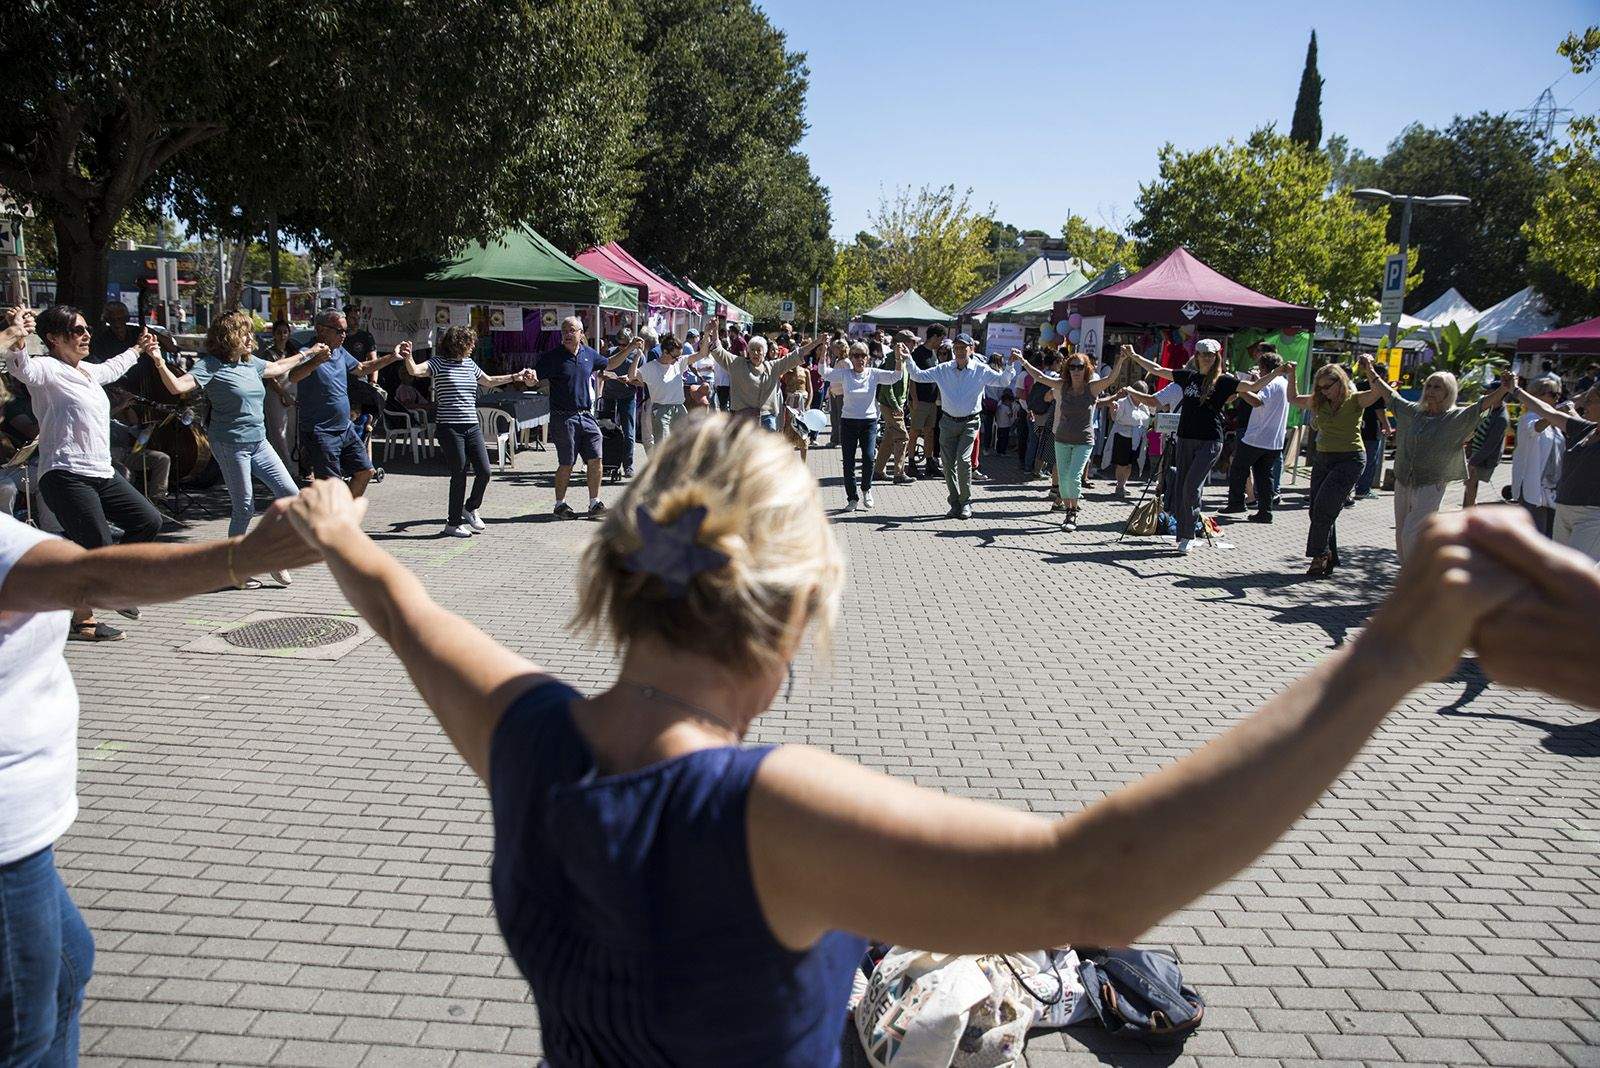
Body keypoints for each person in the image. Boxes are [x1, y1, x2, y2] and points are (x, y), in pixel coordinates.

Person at [277, 411, 1561, 1067]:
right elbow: (1090, 883)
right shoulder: (761, 811)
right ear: (785, 620)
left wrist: (335, 526)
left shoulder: (529, 735)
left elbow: (403, 609)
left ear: (625, 578)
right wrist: (1382, 658)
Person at [0, 490, 320, 1064]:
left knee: (68, 965)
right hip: (5, 851)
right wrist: (244, 556)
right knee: (22, 1029)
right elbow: (84, 580)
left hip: (23, 847)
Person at [5, 306, 163, 641]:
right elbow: (22, 368)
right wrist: (18, 335)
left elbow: (111, 368)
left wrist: (138, 349)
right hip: (66, 473)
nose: (86, 334)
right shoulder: (46, 369)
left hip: (101, 472)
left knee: (148, 520)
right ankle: (84, 619)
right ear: (54, 338)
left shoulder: (88, 373)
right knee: (97, 546)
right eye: (77, 331)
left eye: (86, 328)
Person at [137, 309, 315, 586]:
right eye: (244, 333)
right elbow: (177, 387)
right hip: (230, 445)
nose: (249, 338)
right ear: (228, 337)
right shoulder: (210, 366)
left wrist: (309, 352)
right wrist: (159, 361)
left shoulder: (250, 362)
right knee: (244, 506)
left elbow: (278, 368)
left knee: (291, 494)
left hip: (259, 442)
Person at [1358, 357, 1514, 566]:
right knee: (1402, 532)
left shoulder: (1456, 418)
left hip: (1431, 483)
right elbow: (1388, 394)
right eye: (1429, 385)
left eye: (1437, 387)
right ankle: (1409, 576)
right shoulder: (1413, 411)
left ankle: (1418, 577)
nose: (1431, 390)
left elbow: (1481, 406)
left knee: (1411, 533)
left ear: (1448, 392)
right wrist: (1369, 369)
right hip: (1404, 479)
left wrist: (1503, 389)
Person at [402, 328, 536, 537]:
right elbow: (415, 371)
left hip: (472, 425)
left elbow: (489, 381)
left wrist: (515, 376)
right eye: (470, 342)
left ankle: (471, 507)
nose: (473, 346)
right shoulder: (438, 363)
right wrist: (409, 357)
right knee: (460, 472)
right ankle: (452, 523)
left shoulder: (469, 364)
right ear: (458, 343)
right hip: (449, 427)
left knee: (485, 470)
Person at [1122, 339, 1240, 554]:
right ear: (1195, 357)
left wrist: (1274, 374)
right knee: (1180, 485)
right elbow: (1155, 390)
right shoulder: (1184, 379)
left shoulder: (1222, 381)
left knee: (1190, 486)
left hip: (1208, 439)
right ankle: (1187, 530)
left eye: (1210, 354)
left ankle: (1188, 532)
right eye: (1201, 353)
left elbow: (1249, 390)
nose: (1205, 357)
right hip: (1181, 437)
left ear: (1216, 357)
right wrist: (1133, 360)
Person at [285, 308, 400, 496]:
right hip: (321, 432)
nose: (344, 335)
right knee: (332, 488)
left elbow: (361, 368)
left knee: (365, 472)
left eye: (345, 330)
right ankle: (332, 520)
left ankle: (343, 517)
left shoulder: (339, 351)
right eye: (339, 330)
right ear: (321, 329)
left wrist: (392, 357)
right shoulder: (307, 352)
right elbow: (293, 375)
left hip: (345, 428)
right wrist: (316, 361)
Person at [902, 332, 1014, 520]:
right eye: (957, 348)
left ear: (971, 349)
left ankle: (966, 502)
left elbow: (1003, 381)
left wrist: (1010, 364)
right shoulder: (944, 368)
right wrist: (907, 358)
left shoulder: (981, 370)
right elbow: (918, 376)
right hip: (947, 422)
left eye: (964, 347)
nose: (960, 351)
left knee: (963, 461)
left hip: (970, 422)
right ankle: (955, 502)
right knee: (946, 464)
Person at [1285, 361, 1382, 576]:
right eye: (1319, 387)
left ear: (1340, 382)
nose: (1323, 391)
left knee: (1324, 507)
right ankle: (1330, 557)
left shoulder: (1355, 400)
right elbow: (1292, 398)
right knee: (1319, 510)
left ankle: (1319, 555)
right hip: (1323, 458)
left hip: (1350, 460)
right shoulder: (1319, 402)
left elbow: (1378, 391)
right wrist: (1292, 374)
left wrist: (1369, 368)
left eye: (1327, 386)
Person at [1015, 348, 1124, 532]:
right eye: (1072, 367)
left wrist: (1120, 360)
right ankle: (1068, 506)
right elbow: (1040, 377)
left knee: (1073, 477)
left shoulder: (1092, 387)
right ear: (1067, 369)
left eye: (1080, 367)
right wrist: (1023, 362)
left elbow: (1110, 379)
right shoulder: (1062, 386)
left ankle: (1071, 512)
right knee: (1063, 481)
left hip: (1084, 440)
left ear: (1086, 369)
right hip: (1062, 439)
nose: (1075, 371)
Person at [534, 316, 632, 519]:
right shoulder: (553, 357)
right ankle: (560, 505)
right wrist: (527, 380)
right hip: (563, 417)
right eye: (564, 331)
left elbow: (610, 363)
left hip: (586, 416)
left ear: (581, 334)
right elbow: (534, 380)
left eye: (572, 330)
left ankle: (594, 504)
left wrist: (629, 349)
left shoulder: (589, 354)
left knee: (596, 459)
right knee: (567, 462)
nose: (567, 334)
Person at [1509, 381, 1600, 561]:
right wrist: (1515, 390)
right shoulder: (1586, 429)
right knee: (1560, 568)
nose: (1585, 405)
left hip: (1592, 516)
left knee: (1577, 573)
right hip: (1564, 509)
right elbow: (1548, 412)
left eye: (1591, 400)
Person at [822, 341, 904, 512]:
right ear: (850, 357)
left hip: (868, 422)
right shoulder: (845, 374)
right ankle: (852, 498)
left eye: (863, 355)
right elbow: (824, 372)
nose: (859, 359)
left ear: (868, 358)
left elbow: (896, 376)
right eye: (856, 355)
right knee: (848, 462)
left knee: (868, 457)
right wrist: (824, 349)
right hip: (849, 422)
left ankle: (866, 489)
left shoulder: (873, 373)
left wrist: (898, 358)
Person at [698, 317, 817, 430]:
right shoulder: (737, 364)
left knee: (766, 450)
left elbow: (795, 356)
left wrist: (816, 342)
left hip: (767, 418)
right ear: (748, 351)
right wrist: (714, 330)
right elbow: (718, 350)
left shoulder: (773, 367)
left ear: (764, 353)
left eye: (759, 350)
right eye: (752, 349)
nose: (755, 353)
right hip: (743, 418)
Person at [1223, 352, 1296, 523]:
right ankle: (1265, 511)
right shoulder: (1284, 383)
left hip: (1257, 437)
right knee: (1264, 476)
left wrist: (1240, 389)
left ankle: (1236, 502)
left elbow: (1257, 401)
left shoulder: (1270, 384)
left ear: (1264, 368)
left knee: (1238, 468)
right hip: (1274, 439)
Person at [1509, 373, 1564, 536]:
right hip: (1533, 489)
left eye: (1559, 395)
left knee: (1550, 536)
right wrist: (1555, 414)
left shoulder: (1556, 424)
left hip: (1552, 490)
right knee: (1535, 536)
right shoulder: (1528, 418)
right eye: (1553, 394)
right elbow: (1536, 428)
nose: (1557, 398)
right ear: (1536, 396)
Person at [630, 333, 692, 445]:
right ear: (665, 352)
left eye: (679, 356)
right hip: (661, 410)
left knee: (683, 445)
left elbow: (702, 354)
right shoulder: (651, 367)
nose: (678, 359)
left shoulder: (678, 363)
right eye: (675, 357)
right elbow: (631, 376)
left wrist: (708, 334)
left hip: (679, 408)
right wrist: (638, 355)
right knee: (663, 446)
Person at [871, 331, 913, 485]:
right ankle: (899, 474)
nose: (914, 345)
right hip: (890, 404)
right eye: (911, 342)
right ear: (903, 343)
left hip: (895, 404)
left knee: (889, 438)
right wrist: (896, 406)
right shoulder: (891, 359)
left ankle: (878, 470)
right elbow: (886, 387)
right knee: (903, 437)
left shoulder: (905, 359)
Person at [906, 324, 946, 479]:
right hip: (919, 400)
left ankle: (930, 463)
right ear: (934, 337)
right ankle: (911, 463)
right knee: (915, 432)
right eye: (940, 338)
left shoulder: (934, 354)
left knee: (930, 432)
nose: (941, 342)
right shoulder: (918, 354)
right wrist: (914, 399)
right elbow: (912, 378)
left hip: (931, 401)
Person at [261, 320, 300, 469]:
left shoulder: (293, 352)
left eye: (285, 332)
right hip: (275, 396)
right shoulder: (269, 354)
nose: (282, 336)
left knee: (292, 432)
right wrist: (283, 395)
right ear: (274, 334)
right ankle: (284, 468)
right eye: (279, 332)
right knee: (278, 434)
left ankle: (295, 468)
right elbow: (271, 379)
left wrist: (292, 397)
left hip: (293, 394)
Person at [1462, 393, 1510, 508]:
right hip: (1474, 452)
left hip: (1482, 457)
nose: (1486, 396)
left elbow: (1490, 445)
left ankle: (1468, 513)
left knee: (1471, 485)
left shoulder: (1501, 418)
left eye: (1491, 393)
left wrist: (1474, 461)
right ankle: (1468, 510)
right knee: (1469, 485)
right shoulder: (1489, 410)